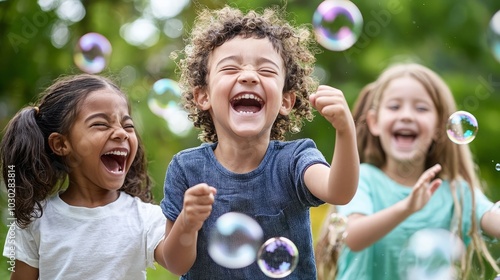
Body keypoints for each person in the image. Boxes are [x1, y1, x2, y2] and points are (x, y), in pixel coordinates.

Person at [158, 5, 359, 279]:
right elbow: (175, 264)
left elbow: (339, 192)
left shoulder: (296, 159)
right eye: (230, 68)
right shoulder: (186, 168)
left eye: (266, 71)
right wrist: (187, 223)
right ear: (203, 96)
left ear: (287, 100)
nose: (249, 76)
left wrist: (346, 131)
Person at [315, 62, 500, 280]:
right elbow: (353, 236)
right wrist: (407, 207)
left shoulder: (458, 193)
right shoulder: (363, 179)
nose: (407, 116)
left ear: (440, 127)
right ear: (374, 122)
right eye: (394, 107)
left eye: (421, 108)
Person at [1, 74, 170, 279]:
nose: (122, 133)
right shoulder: (35, 222)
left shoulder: (145, 217)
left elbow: (177, 262)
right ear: (61, 144)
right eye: (101, 124)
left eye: (128, 126)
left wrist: (188, 220)